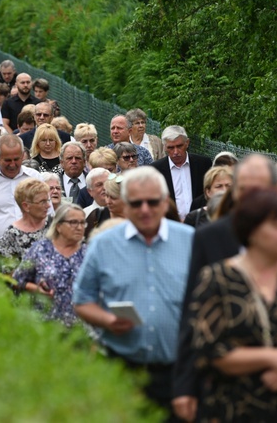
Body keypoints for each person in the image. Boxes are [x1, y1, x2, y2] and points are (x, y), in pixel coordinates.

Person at [172, 154, 277, 422]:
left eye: (258, 190)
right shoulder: (209, 237)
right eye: (243, 190)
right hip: (227, 390)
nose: (250, 198)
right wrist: (185, 385)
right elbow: (192, 316)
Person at [73, 166, 195, 417]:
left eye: (152, 202)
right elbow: (82, 300)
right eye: (137, 203)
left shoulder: (191, 240)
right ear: (125, 205)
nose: (145, 209)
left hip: (180, 370)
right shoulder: (103, 244)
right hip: (122, 368)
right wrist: (107, 319)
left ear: (164, 202)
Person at [13, 203, 88, 327]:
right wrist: (37, 289)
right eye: (74, 222)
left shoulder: (88, 253)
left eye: (82, 223)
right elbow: (17, 280)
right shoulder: (40, 249)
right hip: (46, 326)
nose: (79, 227)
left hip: (81, 328)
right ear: (58, 226)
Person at [151, 125, 213, 218]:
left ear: (187, 143)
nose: (175, 152)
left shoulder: (203, 164)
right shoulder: (155, 170)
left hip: (200, 221)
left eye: (179, 146)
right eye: (171, 148)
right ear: (164, 147)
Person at [0, 178, 51, 273]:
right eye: (43, 202)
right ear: (26, 206)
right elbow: (9, 273)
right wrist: (34, 287)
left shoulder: (55, 226)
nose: (48, 205)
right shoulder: (12, 234)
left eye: (48, 200)